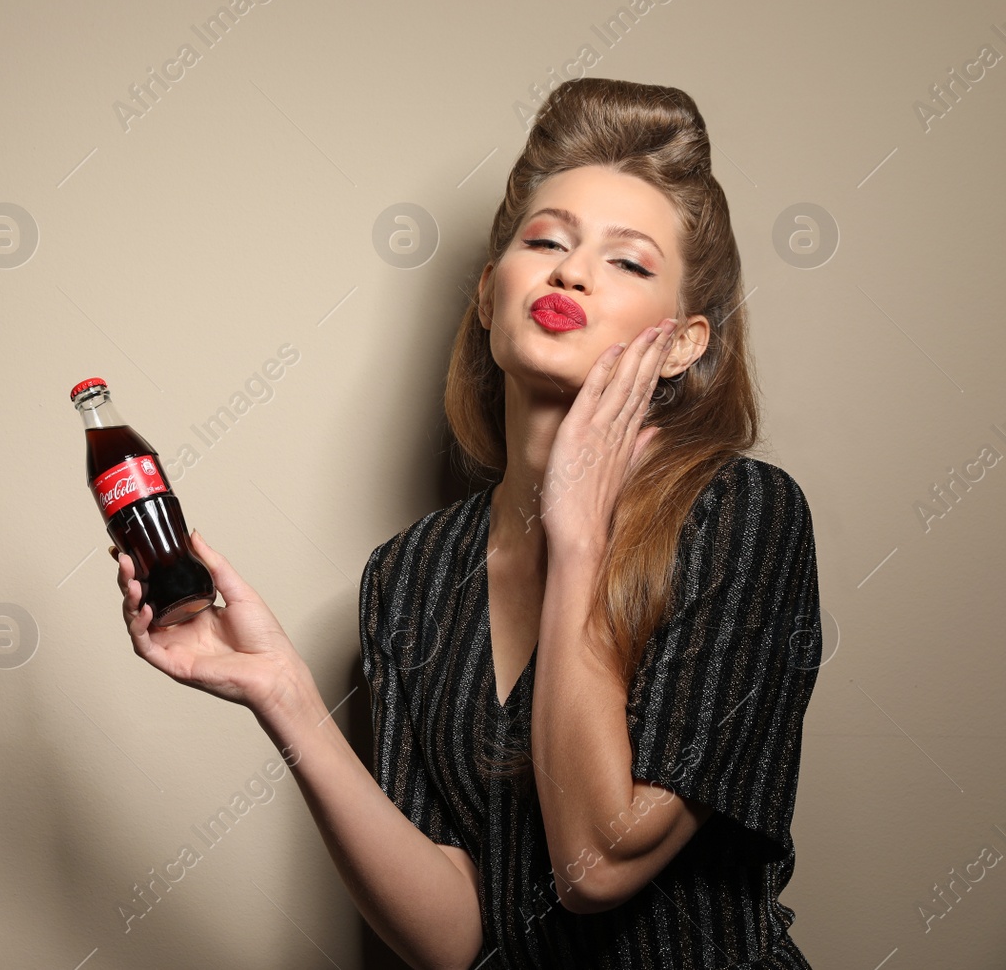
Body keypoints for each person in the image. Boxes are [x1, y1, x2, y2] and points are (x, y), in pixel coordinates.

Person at [109, 77, 821, 969]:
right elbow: (454, 936)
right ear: (489, 295)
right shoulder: (409, 574)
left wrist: (578, 538)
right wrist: (281, 691)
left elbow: (597, 864)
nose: (570, 272)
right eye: (546, 241)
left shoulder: (743, 515)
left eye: (629, 261)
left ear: (683, 342)